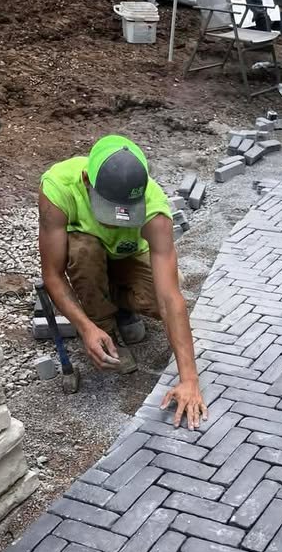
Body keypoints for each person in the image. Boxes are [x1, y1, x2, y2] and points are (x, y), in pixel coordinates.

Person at [38, 134, 207, 430]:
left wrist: (189, 379)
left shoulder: (154, 208)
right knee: (83, 249)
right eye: (109, 209)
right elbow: (52, 274)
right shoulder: (59, 188)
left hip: (127, 258)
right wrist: (86, 327)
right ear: (87, 180)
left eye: (126, 211)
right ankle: (104, 327)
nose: (117, 219)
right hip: (87, 257)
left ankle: (113, 299)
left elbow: (170, 299)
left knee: (162, 294)